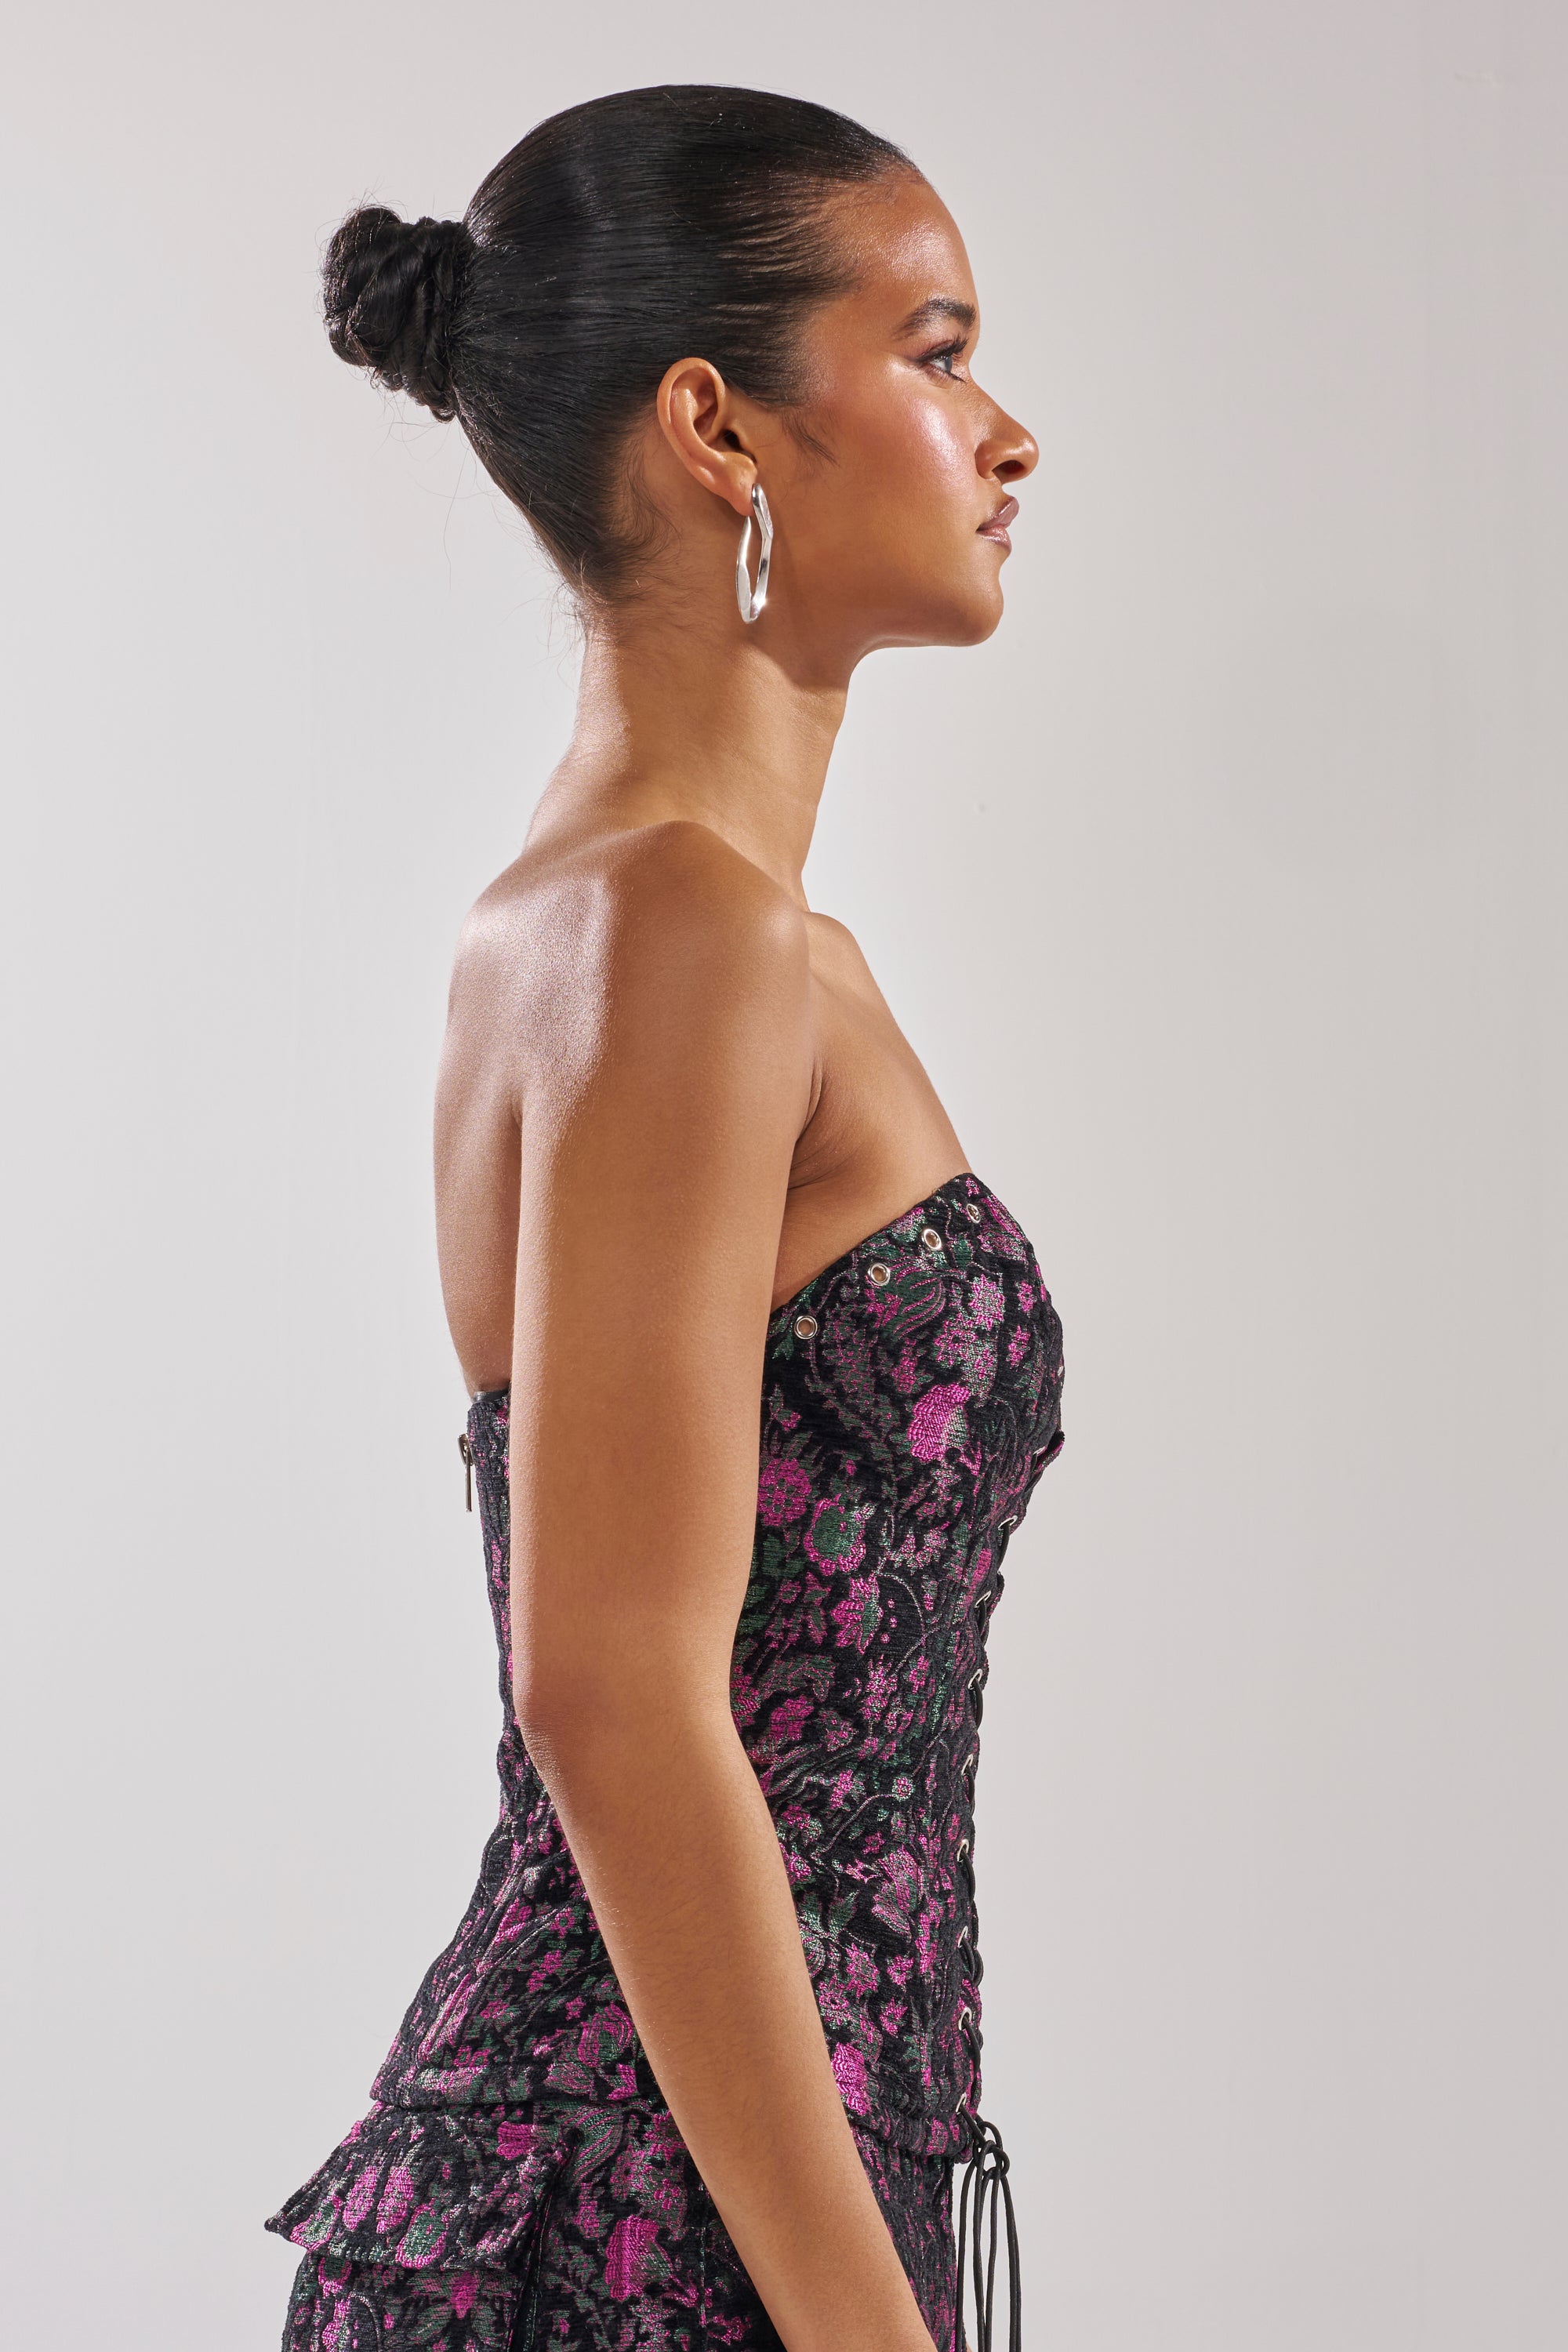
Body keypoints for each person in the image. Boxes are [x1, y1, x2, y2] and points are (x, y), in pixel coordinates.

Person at [266, 82, 1065, 2352]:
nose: (1005, 432)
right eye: (931, 350)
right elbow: (614, 1687)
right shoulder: (670, 931)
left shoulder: (684, 932)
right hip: (644, 2231)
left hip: (720, 2187)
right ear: (719, 429)